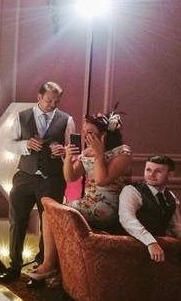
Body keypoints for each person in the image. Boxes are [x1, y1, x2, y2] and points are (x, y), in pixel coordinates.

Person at [27, 110, 132, 287]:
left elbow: (102, 180)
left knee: (57, 215)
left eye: (90, 133)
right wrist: (67, 157)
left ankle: (49, 266)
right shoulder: (89, 152)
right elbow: (71, 176)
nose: (86, 136)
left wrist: (99, 155)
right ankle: (51, 265)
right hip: (87, 202)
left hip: (108, 207)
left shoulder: (122, 153)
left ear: (104, 134)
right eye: (84, 133)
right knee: (48, 213)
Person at [0, 81, 76, 283]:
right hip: (24, 177)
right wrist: (25, 144)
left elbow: (72, 149)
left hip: (53, 180)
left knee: (48, 226)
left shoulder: (67, 120)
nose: (52, 104)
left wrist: (63, 152)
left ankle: (42, 268)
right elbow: (7, 143)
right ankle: (13, 267)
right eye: (49, 100)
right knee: (17, 222)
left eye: (56, 101)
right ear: (39, 97)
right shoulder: (22, 116)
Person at [118, 156, 181, 262]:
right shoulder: (131, 191)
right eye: (148, 170)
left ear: (170, 175)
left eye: (158, 171)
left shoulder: (171, 197)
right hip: (132, 247)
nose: (151, 175)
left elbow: (176, 226)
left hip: (159, 250)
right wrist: (150, 242)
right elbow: (127, 220)